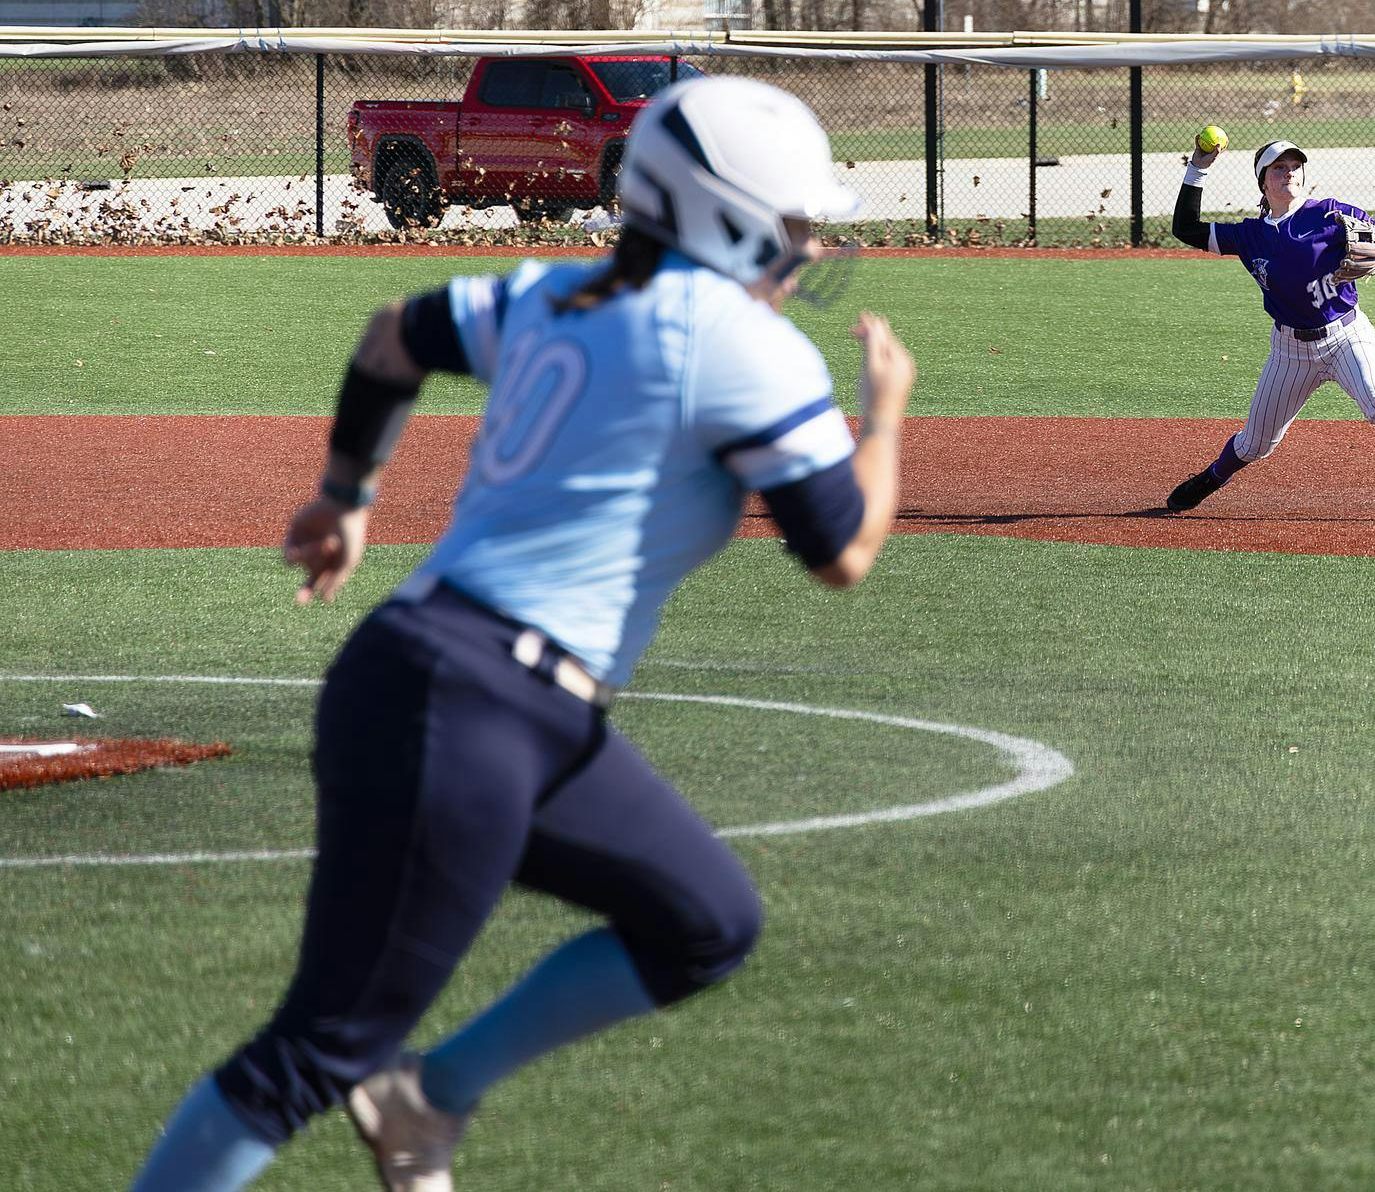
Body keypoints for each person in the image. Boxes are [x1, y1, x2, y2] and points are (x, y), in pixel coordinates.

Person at [129, 75, 916, 1192]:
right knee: (316, 1049)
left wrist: (348, 495)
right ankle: (383, 1093)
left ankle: (426, 1100)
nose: (809, 246)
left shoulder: (555, 288)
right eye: (792, 222)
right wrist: (883, 418)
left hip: (486, 696)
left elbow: (394, 337)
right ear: (724, 217)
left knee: (705, 920)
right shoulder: (745, 344)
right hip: (473, 703)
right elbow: (841, 550)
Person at [1160, 136, 1375, 525]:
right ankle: (1212, 477)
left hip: (1347, 334)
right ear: (1263, 181)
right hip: (1291, 350)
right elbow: (1185, 228)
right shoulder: (1249, 235)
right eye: (1278, 168)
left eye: (1295, 167)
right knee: (1255, 444)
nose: (1289, 173)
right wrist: (1198, 168)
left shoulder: (1331, 214)